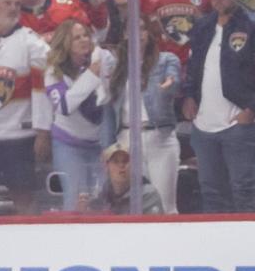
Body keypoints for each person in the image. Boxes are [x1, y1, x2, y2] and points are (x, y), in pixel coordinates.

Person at [182, 0, 255, 214]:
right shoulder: (202, 27)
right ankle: (217, 249)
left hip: (239, 125)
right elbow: (192, 68)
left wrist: (252, 109)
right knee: (210, 192)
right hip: (204, 125)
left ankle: (249, 248)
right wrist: (189, 96)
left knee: (243, 190)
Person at [0, 0, 49, 214]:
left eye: (17, 4)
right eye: (7, 3)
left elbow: (43, 88)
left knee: (24, 197)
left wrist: (42, 130)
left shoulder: (31, 42)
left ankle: (30, 245)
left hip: (19, 137)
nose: (13, 8)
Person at [104, 17, 182, 214]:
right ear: (124, 35)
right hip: (127, 140)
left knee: (165, 205)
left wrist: (167, 86)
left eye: (141, 29)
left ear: (149, 33)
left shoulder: (166, 59)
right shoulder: (116, 65)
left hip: (159, 137)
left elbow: (174, 81)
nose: (137, 34)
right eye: (131, 29)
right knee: (131, 205)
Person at [43, 20, 110, 211]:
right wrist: (90, 75)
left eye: (85, 35)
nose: (83, 40)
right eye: (76, 37)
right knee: (74, 202)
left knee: (102, 203)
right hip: (68, 145)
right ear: (65, 43)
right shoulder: (54, 71)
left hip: (100, 145)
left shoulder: (102, 61)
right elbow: (64, 106)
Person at [85, 141, 165, 215]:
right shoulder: (104, 196)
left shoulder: (148, 195)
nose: (121, 165)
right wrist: (83, 210)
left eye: (125, 161)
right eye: (116, 161)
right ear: (106, 167)